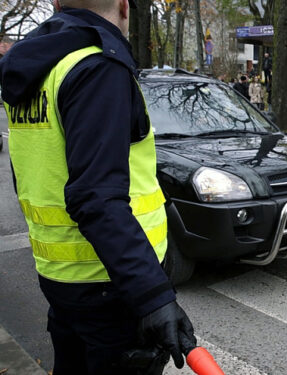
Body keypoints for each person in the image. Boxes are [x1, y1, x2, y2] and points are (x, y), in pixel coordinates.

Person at [0, 0, 197, 373]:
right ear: (124, 7)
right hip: (109, 281)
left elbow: (31, 171)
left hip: (61, 276)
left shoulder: (37, 68)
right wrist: (153, 296)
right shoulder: (97, 66)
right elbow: (95, 197)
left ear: (58, 4)